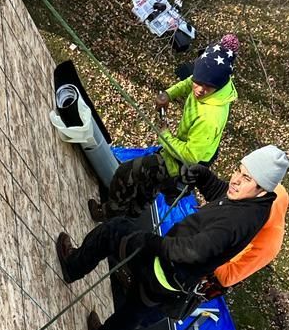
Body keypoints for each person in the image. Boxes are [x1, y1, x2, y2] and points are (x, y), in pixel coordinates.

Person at [55, 145, 289, 330]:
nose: (235, 180)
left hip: (167, 264)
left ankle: (72, 266)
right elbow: (223, 198)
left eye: (246, 177)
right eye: (238, 170)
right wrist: (203, 176)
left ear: (262, 189)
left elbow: (194, 250)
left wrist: (152, 244)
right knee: (139, 304)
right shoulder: (257, 204)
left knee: (112, 231)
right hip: (175, 280)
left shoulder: (236, 223)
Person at [88, 35, 240, 222]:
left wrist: (165, 134)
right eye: (198, 81)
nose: (199, 89)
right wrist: (168, 94)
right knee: (148, 184)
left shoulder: (211, 118)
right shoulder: (211, 81)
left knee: (126, 173)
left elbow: (190, 156)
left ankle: (108, 214)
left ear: (219, 85)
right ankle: (131, 215)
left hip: (181, 166)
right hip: (183, 151)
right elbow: (189, 82)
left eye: (207, 87)